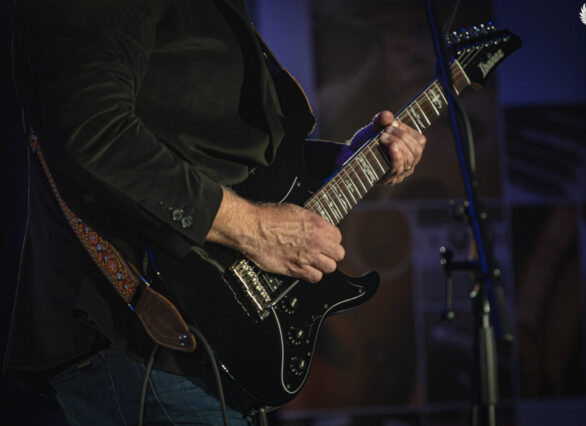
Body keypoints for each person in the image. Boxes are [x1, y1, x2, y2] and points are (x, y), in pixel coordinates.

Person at [4, 0, 426, 424]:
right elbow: (93, 131)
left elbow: (214, 155)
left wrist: (344, 161)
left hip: (199, 353)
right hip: (138, 337)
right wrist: (255, 230)